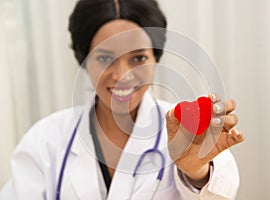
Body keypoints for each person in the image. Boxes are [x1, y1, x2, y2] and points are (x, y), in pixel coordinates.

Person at [0, 0, 245, 199]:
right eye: (105, 59)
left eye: (137, 58)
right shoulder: (45, 140)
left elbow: (222, 191)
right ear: (84, 61)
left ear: (155, 57)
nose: (121, 76)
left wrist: (196, 173)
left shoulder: (190, 133)